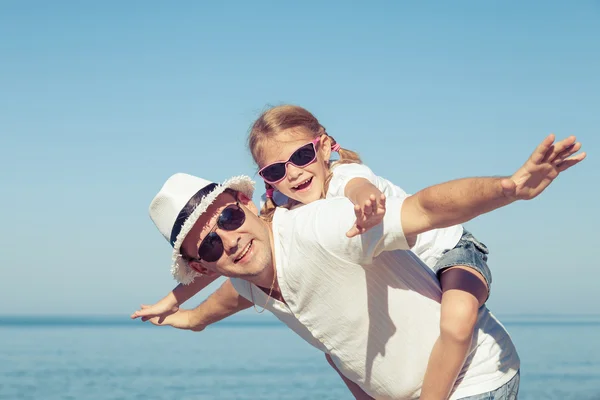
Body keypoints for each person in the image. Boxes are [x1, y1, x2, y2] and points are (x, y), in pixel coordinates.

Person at [134, 105, 584, 400]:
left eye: (229, 220)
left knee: (457, 320)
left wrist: (509, 189)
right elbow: (234, 287)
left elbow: (425, 208)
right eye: (210, 243)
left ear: (246, 205)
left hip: (472, 366)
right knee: (335, 351)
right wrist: (187, 311)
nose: (228, 239)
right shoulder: (251, 269)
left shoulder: (335, 211)